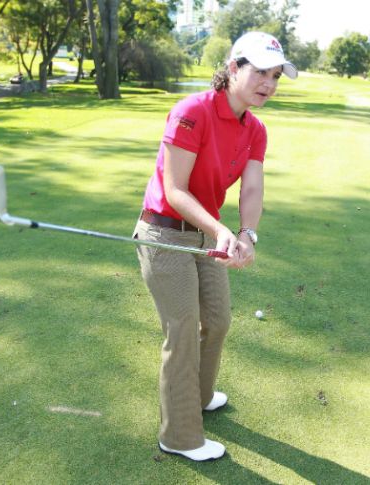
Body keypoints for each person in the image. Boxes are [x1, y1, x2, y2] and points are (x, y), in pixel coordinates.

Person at [132, 31, 297, 461]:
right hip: (165, 232)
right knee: (183, 329)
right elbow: (175, 190)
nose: (268, 83)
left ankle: (200, 398)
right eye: (260, 72)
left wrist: (246, 233)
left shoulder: (255, 129)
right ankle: (179, 436)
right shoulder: (192, 111)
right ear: (232, 68)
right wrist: (221, 230)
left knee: (218, 321)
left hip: (207, 231)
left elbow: (252, 189)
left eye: (276, 76)